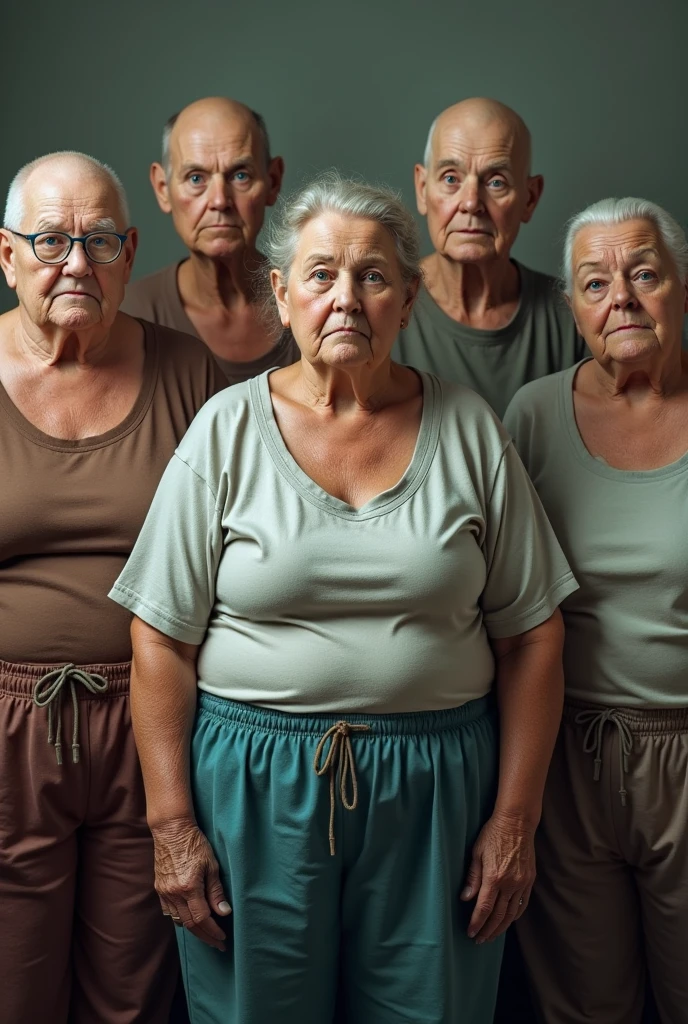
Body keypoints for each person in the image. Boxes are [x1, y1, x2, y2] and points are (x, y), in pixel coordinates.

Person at [110, 172, 577, 1024]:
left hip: (437, 787)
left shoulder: (471, 426)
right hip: (254, 786)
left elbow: (534, 636)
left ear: (408, 298)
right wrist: (171, 824)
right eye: (321, 274)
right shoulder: (226, 429)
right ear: (283, 295)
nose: (346, 298)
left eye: (372, 276)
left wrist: (516, 819)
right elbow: (159, 640)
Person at [0, 151, 226, 1024]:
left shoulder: (190, 372)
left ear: (132, 250)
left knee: (133, 991)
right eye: (50, 239)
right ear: (7, 254)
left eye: (99, 240)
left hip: (154, 722)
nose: (76, 265)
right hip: (10, 726)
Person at [504, 197, 688, 1024]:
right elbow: (503, 602)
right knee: (583, 1006)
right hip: (568, 755)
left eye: (645, 273)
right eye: (594, 282)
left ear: (681, 287)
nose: (622, 297)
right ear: (571, 306)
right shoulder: (533, 417)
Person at [394, 97, 585, 418]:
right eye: (451, 178)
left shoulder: (575, 318)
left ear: (530, 198)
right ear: (422, 188)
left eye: (496, 182)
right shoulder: (378, 307)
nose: (471, 203)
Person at [122, 96, 300, 383]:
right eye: (196, 179)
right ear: (162, 188)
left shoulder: (317, 302)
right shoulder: (126, 315)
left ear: (273, 181)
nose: (219, 201)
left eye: (240, 175)